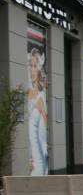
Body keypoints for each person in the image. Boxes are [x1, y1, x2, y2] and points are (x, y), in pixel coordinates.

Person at [27, 47, 48, 175]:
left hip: (37, 157)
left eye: (35, 66)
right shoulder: (28, 93)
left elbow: (42, 135)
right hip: (31, 157)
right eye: (31, 65)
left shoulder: (40, 98)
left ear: (39, 69)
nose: (32, 70)